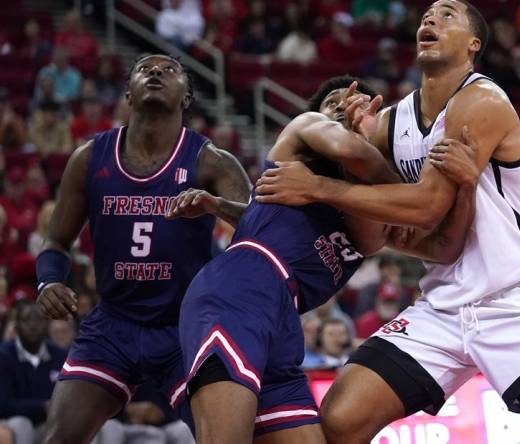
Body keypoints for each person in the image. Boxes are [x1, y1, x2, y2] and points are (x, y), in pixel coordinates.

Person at [256, 1, 520, 443]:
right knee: (340, 421)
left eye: (447, 15)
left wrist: (317, 187)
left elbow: (424, 206)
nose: (430, 20)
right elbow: (379, 217)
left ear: (473, 44)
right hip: (441, 304)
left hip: (512, 300)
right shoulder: (391, 123)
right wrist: (346, 141)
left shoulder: (482, 100)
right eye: (427, 15)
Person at [176, 75, 476, 443]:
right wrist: (409, 189)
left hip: (284, 317)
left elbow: (441, 246)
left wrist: (465, 186)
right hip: (240, 291)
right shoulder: (306, 130)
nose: (344, 108)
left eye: (358, 105)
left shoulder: (370, 198)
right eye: (332, 102)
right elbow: (350, 151)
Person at [35, 54, 251, 444]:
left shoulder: (212, 162)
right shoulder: (89, 158)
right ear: (127, 94)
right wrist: (49, 281)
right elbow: (55, 242)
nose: (155, 72)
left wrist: (214, 204)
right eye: (144, 68)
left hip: (185, 327)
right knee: (56, 439)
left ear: (186, 97)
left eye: (169, 70)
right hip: (113, 324)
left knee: (227, 438)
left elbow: (259, 229)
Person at [0, 301, 67, 444]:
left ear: (46, 324)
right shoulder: (3, 355)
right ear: (17, 326)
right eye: (27, 319)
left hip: (49, 424)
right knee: (22, 424)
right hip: (11, 424)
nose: (33, 324)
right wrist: (43, 406)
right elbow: (3, 406)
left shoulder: (61, 355)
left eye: (38, 319)